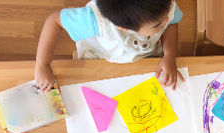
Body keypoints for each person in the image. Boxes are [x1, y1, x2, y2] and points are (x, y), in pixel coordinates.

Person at [34, 0, 184, 91]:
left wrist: (169, 55)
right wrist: (42, 65)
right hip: (99, 60)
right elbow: (54, 21)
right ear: (123, 28)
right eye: (158, 24)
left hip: (147, 57)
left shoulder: (162, 6)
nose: (166, 20)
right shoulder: (93, 20)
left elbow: (171, 24)